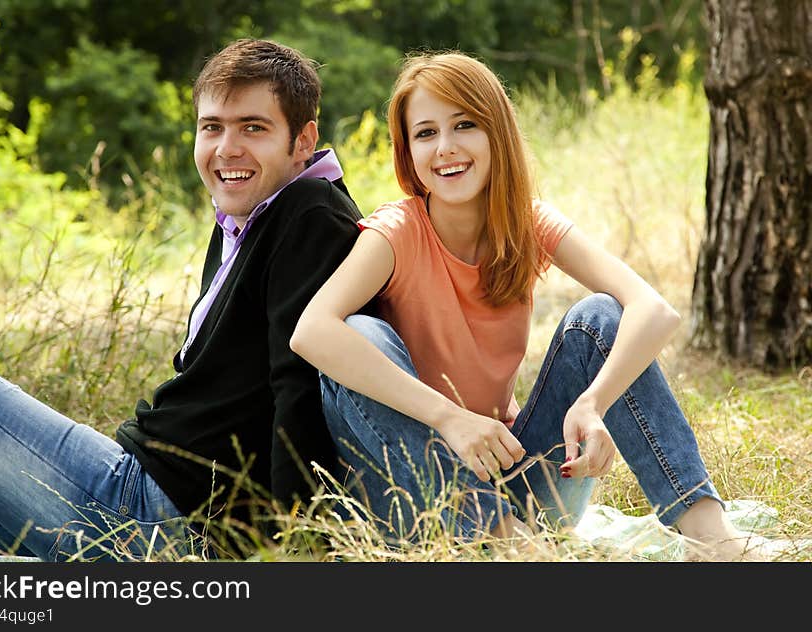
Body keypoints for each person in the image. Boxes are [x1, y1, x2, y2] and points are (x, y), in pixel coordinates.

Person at [290, 51, 758, 560]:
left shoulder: (527, 223)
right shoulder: (396, 232)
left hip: (517, 486)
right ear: (408, 152)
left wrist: (594, 402)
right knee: (359, 333)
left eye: (464, 124)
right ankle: (507, 544)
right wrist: (450, 418)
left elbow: (652, 309)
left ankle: (708, 536)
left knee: (600, 318)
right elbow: (311, 331)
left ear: (497, 133)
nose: (445, 148)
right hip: (414, 497)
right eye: (425, 133)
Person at [0, 38, 365, 561]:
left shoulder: (310, 214)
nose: (227, 148)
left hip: (153, 509)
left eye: (253, 127)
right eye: (212, 127)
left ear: (303, 140)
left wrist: (295, 551)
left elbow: (299, 388)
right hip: (147, 499)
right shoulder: (253, 211)